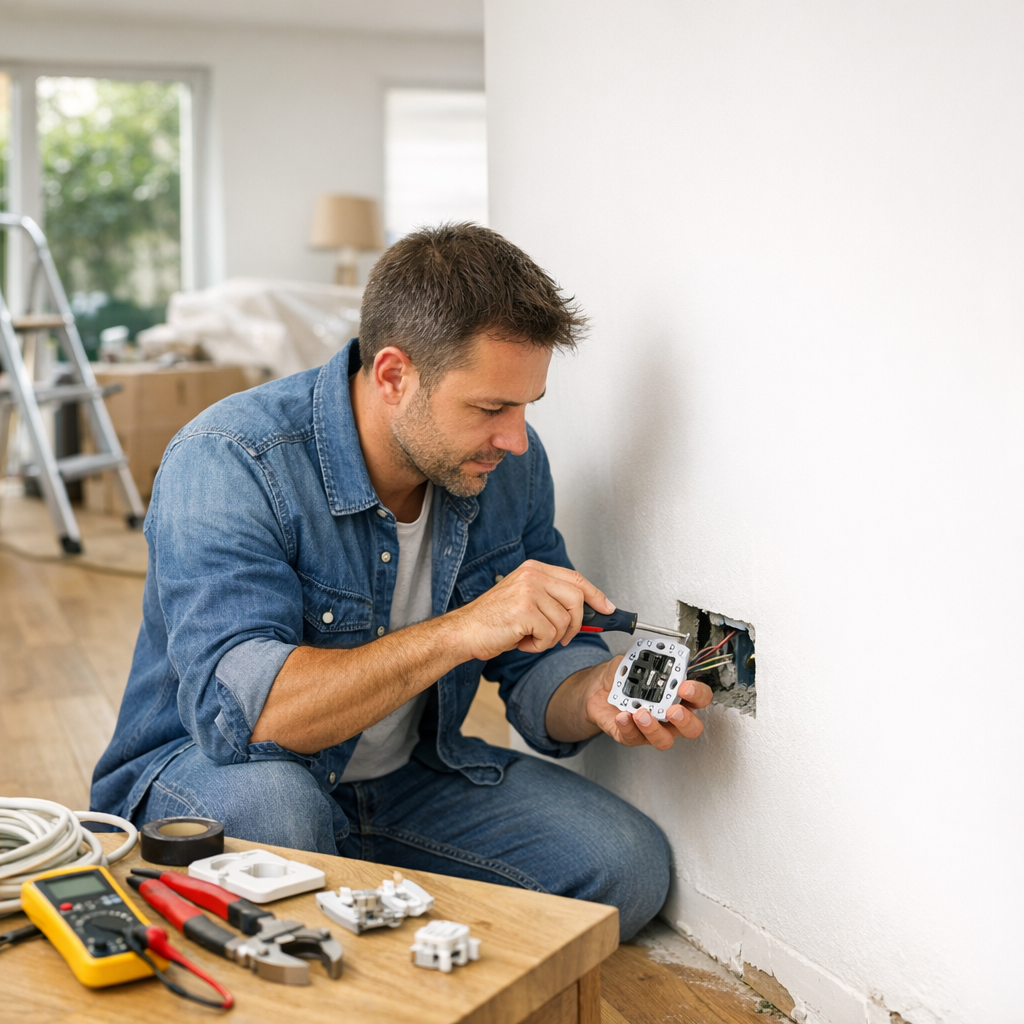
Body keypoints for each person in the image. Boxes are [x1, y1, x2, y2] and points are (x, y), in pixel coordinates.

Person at [91, 224, 712, 940]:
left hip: (408, 778)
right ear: (393, 376)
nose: (514, 438)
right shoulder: (230, 460)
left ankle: (349, 906)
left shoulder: (507, 465)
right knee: (277, 812)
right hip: (214, 772)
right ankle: (333, 907)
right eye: (489, 408)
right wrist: (461, 629)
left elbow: (539, 665)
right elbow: (252, 719)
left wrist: (592, 696)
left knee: (625, 866)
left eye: (525, 407)